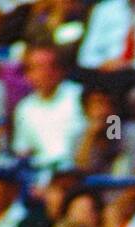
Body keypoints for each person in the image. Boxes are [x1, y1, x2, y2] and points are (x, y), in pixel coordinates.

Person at [10, 42, 85, 170]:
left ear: (60, 69)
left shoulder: (80, 95)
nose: (46, 72)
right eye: (38, 67)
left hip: (79, 171)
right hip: (41, 174)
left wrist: (112, 134)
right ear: (28, 74)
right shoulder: (24, 108)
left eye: (51, 66)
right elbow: (22, 150)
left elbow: (114, 121)